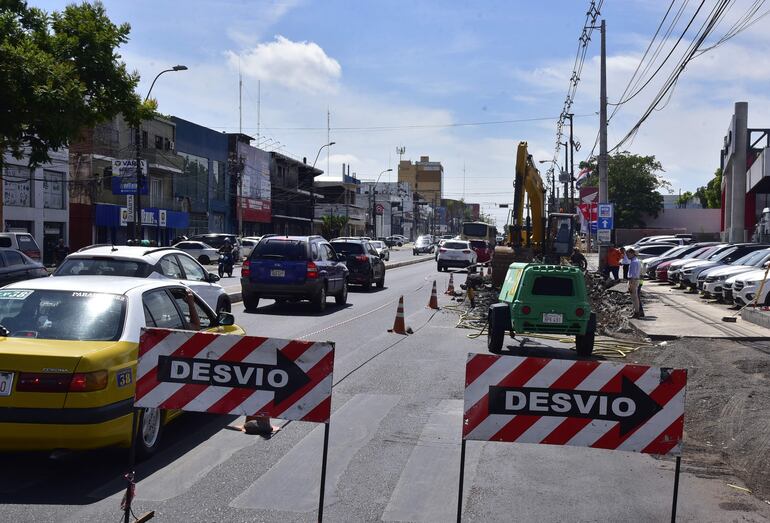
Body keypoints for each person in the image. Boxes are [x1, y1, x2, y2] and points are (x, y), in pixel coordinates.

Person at [627, 248, 643, 318]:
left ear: (632, 253)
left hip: (633, 280)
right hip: (636, 280)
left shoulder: (634, 262)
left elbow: (633, 274)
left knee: (634, 298)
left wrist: (631, 284)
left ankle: (636, 312)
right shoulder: (637, 261)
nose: (627, 256)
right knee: (635, 297)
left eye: (628, 254)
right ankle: (636, 312)